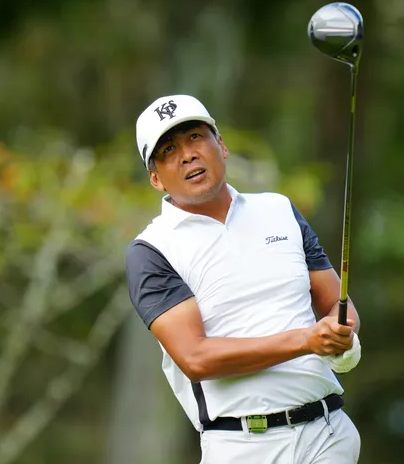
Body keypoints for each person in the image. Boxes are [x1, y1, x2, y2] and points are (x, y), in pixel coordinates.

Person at [125, 94, 363, 464]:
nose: (187, 155)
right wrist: (306, 341)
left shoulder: (278, 209)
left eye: (195, 137)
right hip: (241, 445)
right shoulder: (152, 249)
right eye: (168, 150)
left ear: (221, 146)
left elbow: (336, 303)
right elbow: (196, 358)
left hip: (328, 434)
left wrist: (340, 336)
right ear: (155, 178)